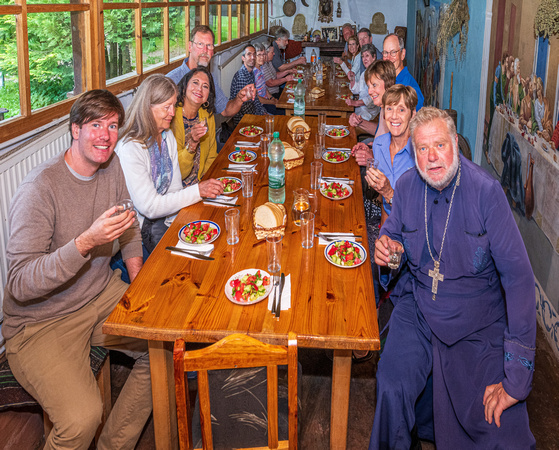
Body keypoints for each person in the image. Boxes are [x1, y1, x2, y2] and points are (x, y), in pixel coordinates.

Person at [370, 107, 536, 449]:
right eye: (422, 149)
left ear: (455, 144)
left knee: (502, 429)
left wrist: (516, 380)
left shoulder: (486, 193)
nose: (431, 158)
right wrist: (389, 249)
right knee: (391, 383)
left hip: (476, 320)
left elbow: (519, 281)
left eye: (440, 145)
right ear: (413, 152)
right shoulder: (405, 186)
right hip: (418, 309)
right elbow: (394, 233)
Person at [3, 89, 152, 449]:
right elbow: (19, 284)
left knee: (163, 343)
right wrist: (85, 242)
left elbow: (129, 229)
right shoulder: (40, 188)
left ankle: (112, 445)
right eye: (95, 125)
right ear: (74, 130)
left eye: (112, 125)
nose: (105, 135)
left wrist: (139, 284)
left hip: (99, 295)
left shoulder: (112, 164)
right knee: (82, 417)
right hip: (39, 323)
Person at [116, 74, 223, 254]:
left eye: (173, 105)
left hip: (163, 220)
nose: (173, 113)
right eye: (167, 107)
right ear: (147, 108)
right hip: (138, 233)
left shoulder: (167, 137)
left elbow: (174, 188)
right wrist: (198, 191)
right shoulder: (130, 148)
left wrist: (182, 227)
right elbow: (149, 207)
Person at [167, 25, 253, 118]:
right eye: (200, 44)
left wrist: (239, 99)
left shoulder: (209, 78)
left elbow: (226, 110)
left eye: (209, 45)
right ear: (190, 47)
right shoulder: (171, 81)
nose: (205, 50)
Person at [365, 84, 417, 226]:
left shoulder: (420, 153)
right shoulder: (379, 145)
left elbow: (420, 214)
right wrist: (384, 236)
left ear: (413, 114)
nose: (394, 116)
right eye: (389, 109)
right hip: (390, 226)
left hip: (414, 235)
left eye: (401, 110)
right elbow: (385, 206)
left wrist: (389, 193)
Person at [170, 66, 219, 186]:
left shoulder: (207, 116)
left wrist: (206, 182)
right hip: (177, 189)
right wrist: (192, 144)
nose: (199, 89)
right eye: (195, 83)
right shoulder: (171, 117)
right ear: (185, 86)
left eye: (205, 86)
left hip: (201, 184)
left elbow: (211, 156)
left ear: (208, 95)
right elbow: (176, 172)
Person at [350, 60, 397, 164]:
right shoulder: (384, 107)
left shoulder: (395, 115)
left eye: (374, 85)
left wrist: (372, 158)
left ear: (388, 84)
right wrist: (369, 149)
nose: (370, 91)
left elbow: (398, 163)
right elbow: (380, 140)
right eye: (369, 86)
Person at [382, 33, 424, 110]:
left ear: (403, 54)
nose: (388, 58)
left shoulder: (409, 88)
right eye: (385, 53)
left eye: (393, 52)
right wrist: (362, 122)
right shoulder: (388, 80)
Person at [230, 44, 268, 126]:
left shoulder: (250, 73)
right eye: (249, 54)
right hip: (244, 121)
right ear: (243, 58)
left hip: (253, 114)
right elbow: (245, 108)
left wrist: (263, 112)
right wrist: (260, 117)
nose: (253, 57)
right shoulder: (241, 76)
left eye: (254, 54)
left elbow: (256, 98)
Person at [346, 44, 378, 126]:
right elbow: (356, 90)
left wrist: (355, 103)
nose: (365, 59)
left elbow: (371, 100)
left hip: (370, 112)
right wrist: (352, 77)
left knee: (348, 122)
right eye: (363, 56)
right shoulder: (365, 73)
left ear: (374, 57)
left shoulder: (377, 74)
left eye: (367, 55)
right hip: (361, 108)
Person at [253, 43, 279, 115]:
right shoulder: (253, 72)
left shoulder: (261, 67)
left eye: (264, 54)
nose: (262, 57)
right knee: (283, 113)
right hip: (260, 106)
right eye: (259, 55)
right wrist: (272, 102)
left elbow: (264, 87)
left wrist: (271, 98)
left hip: (266, 101)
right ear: (254, 56)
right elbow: (256, 98)